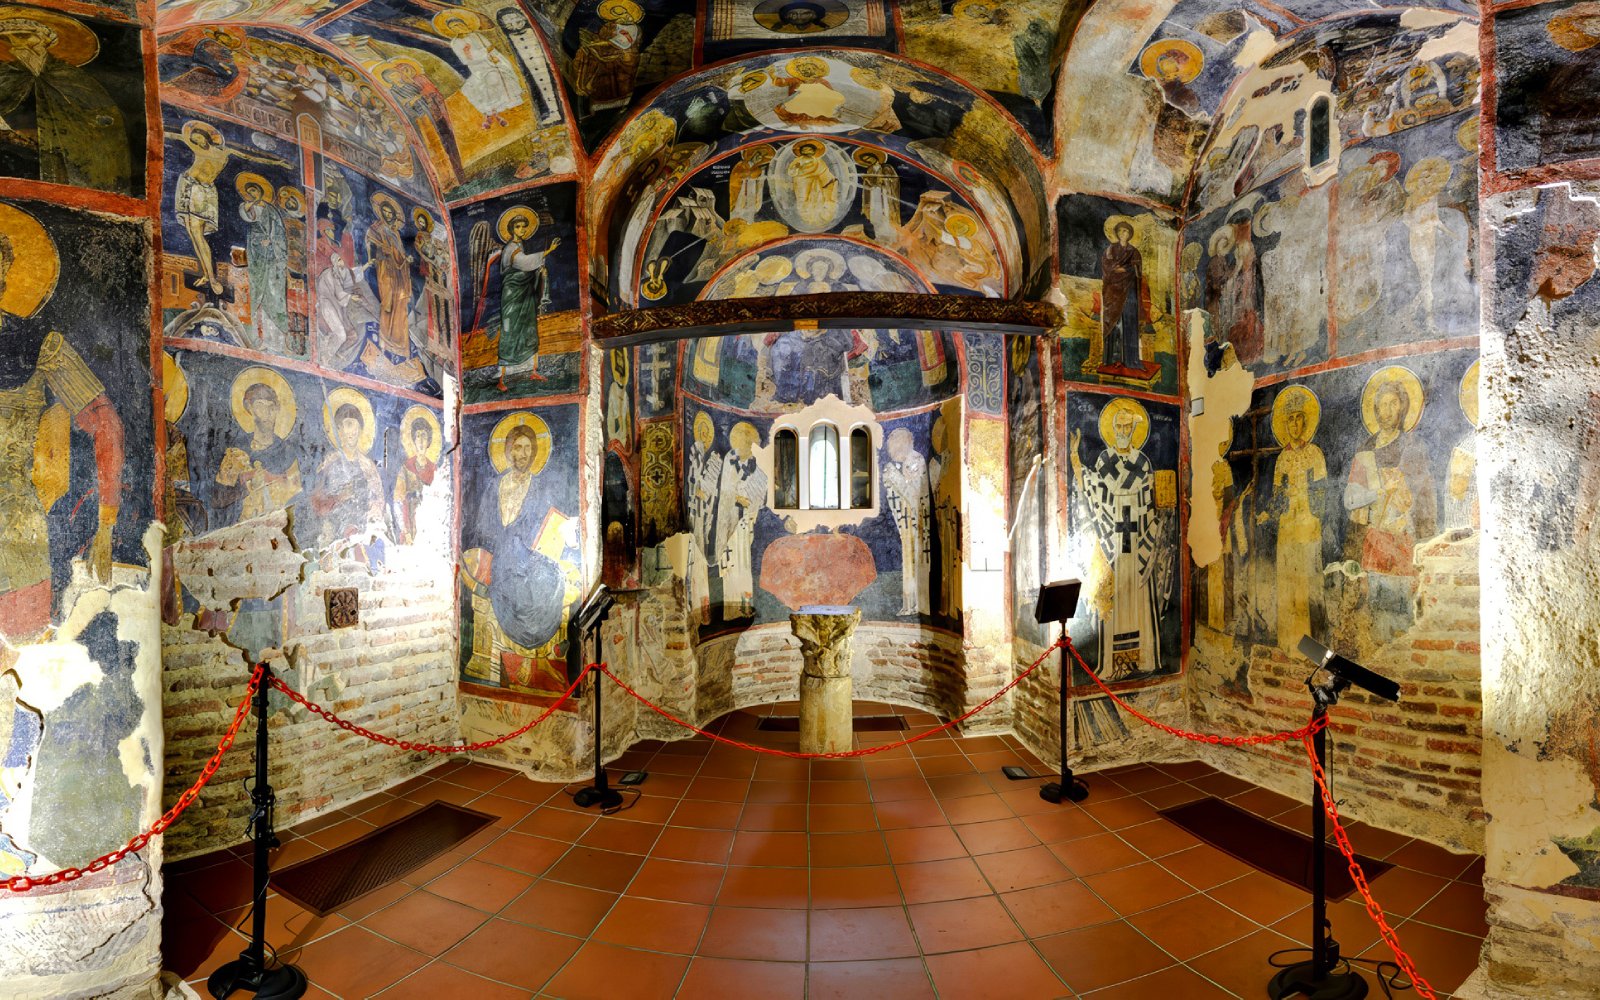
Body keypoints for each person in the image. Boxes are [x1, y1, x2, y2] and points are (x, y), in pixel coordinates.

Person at [0, 205, 124, 641]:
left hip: (15, 534)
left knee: (21, 655)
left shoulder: (42, 346)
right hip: (18, 533)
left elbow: (107, 425)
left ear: (7, 270)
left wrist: (106, 528)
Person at [1343, 370, 1436, 644]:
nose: (1387, 410)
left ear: (1403, 407)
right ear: (1374, 409)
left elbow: (1425, 496)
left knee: (1404, 609)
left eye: (1393, 403)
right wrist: (1379, 490)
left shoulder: (1412, 446)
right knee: (1378, 607)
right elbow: (1350, 499)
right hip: (1374, 539)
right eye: (1382, 404)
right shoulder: (1365, 449)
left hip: (1404, 540)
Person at [1072, 399, 1162, 678]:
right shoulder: (1104, 461)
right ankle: (1111, 663)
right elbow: (1094, 489)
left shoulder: (1142, 462)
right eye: (1119, 426)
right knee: (1114, 598)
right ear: (1113, 429)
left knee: (1138, 597)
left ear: (1134, 430)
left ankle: (1144, 658)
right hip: (1113, 540)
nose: (1123, 431)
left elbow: (1149, 502)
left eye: (1127, 426)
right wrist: (1076, 462)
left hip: (1137, 538)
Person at [0, 10, 131, 194]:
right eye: (8, 38)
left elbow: (100, 130)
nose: (16, 43)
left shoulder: (73, 80)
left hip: (63, 163)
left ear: (44, 40)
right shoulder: (5, 75)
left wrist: (38, 135)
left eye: (23, 36)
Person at [1267, 388, 1328, 653]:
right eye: (1289, 420)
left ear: (1306, 422)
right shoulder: (1282, 458)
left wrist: (1311, 510)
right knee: (1287, 586)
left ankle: (1311, 649)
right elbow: (1277, 496)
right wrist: (1270, 511)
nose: (1293, 424)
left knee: (1307, 585)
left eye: (1298, 419)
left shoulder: (1315, 454)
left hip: (1308, 527)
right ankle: (1289, 645)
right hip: (1287, 528)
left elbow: (1322, 493)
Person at [215, 370, 301, 525]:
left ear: (277, 409)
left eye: (271, 407)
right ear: (250, 409)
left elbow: (297, 496)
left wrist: (273, 480)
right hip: (244, 527)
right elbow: (218, 499)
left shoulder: (288, 452)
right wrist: (246, 485)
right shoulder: (236, 452)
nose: (267, 413)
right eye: (260, 406)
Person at [493, 207, 560, 390]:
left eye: (524, 227)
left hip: (525, 294)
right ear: (512, 229)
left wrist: (539, 272)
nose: (522, 230)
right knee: (509, 331)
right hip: (512, 296)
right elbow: (523, 263)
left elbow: (527, 268)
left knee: (529, 329)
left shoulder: (521, 246)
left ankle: (532, 369)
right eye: (518, 227)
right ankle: (502, 379)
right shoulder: (510, 248)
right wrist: (548, 251)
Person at [310, 397, 384, 548]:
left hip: (362, 533)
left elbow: (378, 499)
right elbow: (317, 503)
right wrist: (339, 497)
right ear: (339, 429)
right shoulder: (329, 464)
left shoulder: (368, 466)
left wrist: (369, 516)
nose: (352, 431)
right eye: (347, 425)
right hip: (334, 534)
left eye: (356, 426)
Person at [715, 421, 766, 619]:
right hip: (731, 523)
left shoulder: (753, 462)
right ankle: (731, 609)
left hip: (745, 523)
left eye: (751, 440)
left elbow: (759, 492)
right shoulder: (730, 459)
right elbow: (724, 491)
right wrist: (737, 498)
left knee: (744, 565)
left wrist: (751, 503)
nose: (749, 444)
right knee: (733, 565)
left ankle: (745, 606)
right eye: (746, 439)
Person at [883, 427, 931, 616]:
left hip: (918, 521)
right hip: (906, 522)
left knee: (918, 559)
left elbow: (913, 494)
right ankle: (909, 605)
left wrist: (893, 476)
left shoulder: (915, 460)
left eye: (895, 445)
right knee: (908, 560)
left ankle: (919, 605)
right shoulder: (898, 465)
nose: (892, 451)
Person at [364, 193, 413, 360]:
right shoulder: (377, 229)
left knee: (400, 307)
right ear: (381, 213)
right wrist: (380, 252)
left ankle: (400, 347)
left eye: (390, 212)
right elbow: (371, 242)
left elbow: (399, 252)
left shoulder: (396, 233)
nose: (388, 215)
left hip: (399, 273)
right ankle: (385, 343)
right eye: (385, 212)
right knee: (388, 304)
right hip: (386, 270)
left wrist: (405, 259)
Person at [1099, 219, 1151, 371]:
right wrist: (1119, 269)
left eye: (1127, 231)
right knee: (1114, 324)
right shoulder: (1110, 249)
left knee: (1129, 323)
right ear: (1116, 233)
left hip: (1129, 291)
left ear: (1130, 235)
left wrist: (1126, 270)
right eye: (1121, 231)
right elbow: (1106, 268)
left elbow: (1137, 271)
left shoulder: (1134, 252)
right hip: (1113, 293)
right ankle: (1112, 359)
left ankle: (1131, 360)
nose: (1124, 233)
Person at [686, 412, 718, 624]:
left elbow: (710, 492)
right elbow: (691, 484)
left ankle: (702, 611)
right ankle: (691, 606)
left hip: (701, 517)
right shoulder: (693, 457)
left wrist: (705, 494)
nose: (703, 436)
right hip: (693, 517)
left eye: (706, 433)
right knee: (693, 563)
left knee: (700, 564)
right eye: (701, 431)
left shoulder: (710, 461)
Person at [391, 410, 437, 545]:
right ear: (413, 440)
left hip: (429, 524)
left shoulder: (435, 469)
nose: (421, 440)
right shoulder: (406, 468)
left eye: (424, 436)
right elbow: (398, 500)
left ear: (429, 440)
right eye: (418, 436)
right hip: (409, 522)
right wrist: (405, 530)